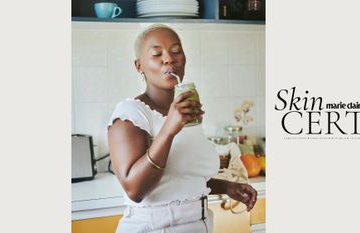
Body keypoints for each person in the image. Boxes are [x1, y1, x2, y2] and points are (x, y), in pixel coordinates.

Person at [107, 24, 257, 233]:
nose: (169, 59)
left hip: (200, 224)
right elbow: (135, 189)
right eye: (157, 54)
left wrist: (227, 187)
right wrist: (169, 129)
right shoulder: (131, 113)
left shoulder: (185, 114)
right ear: (139, 65)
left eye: (176, 51)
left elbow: (179, 178)